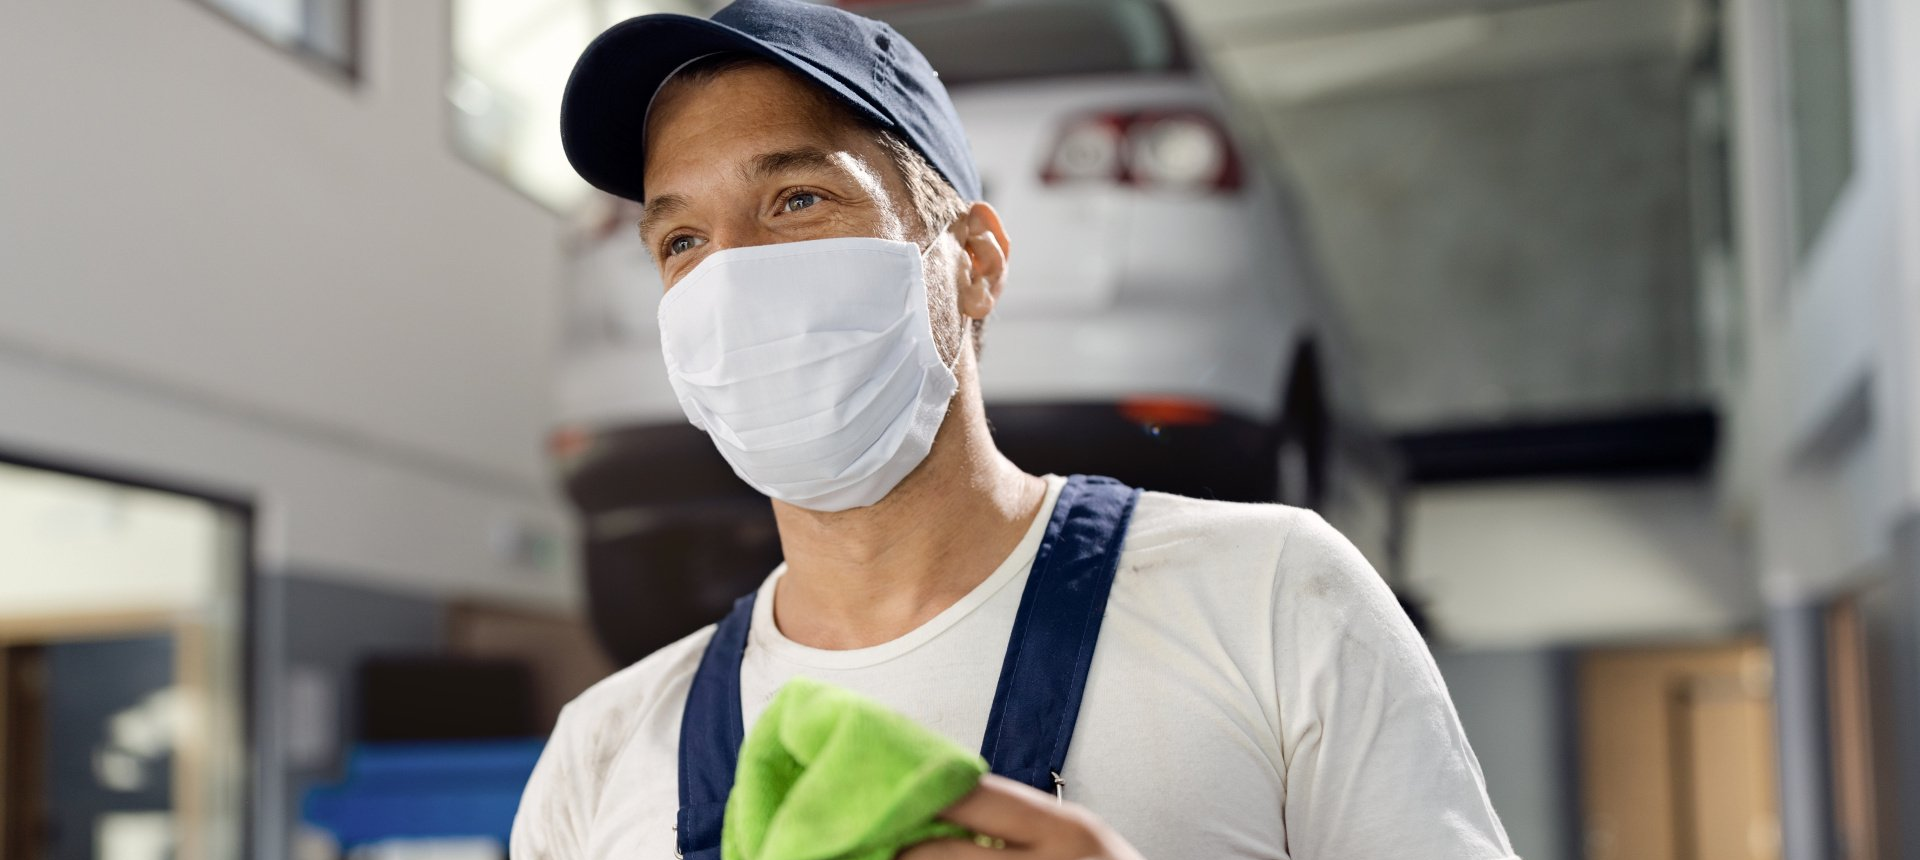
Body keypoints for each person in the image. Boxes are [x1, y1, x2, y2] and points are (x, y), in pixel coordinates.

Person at [513, 1, 1516, 858]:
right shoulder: (604, 754)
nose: (731, 278)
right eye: (682, 239)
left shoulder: (1272, 601)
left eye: (798, 198)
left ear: (976, 261)